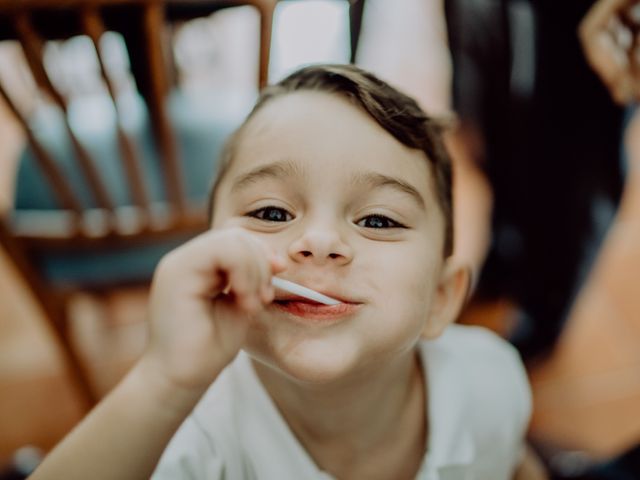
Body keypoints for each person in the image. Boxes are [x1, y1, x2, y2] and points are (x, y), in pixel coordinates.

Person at [28, 64, 543, 480]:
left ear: (441, 298)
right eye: (272, 213)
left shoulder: (490, 381)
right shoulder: (188, 438)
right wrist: (162, 384)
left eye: (378, 219)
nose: (317, 242)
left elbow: (511, 461)